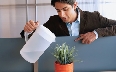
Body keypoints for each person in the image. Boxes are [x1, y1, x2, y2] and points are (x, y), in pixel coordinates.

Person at [20, 0, 116, 44]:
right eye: (58, 10)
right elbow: (32, 39)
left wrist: (96, 34)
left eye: (65, 9)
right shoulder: (53, 21)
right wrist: (29, 30)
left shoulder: (94, 17)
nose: (61, 15)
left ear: (74, 5)